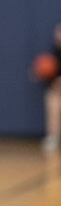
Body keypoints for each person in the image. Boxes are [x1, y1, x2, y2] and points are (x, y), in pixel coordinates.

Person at [37, 22, 61, 152]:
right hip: (55, 90)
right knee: (53, 109)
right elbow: (48, 71)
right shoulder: (53, 52)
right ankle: (53, 138)